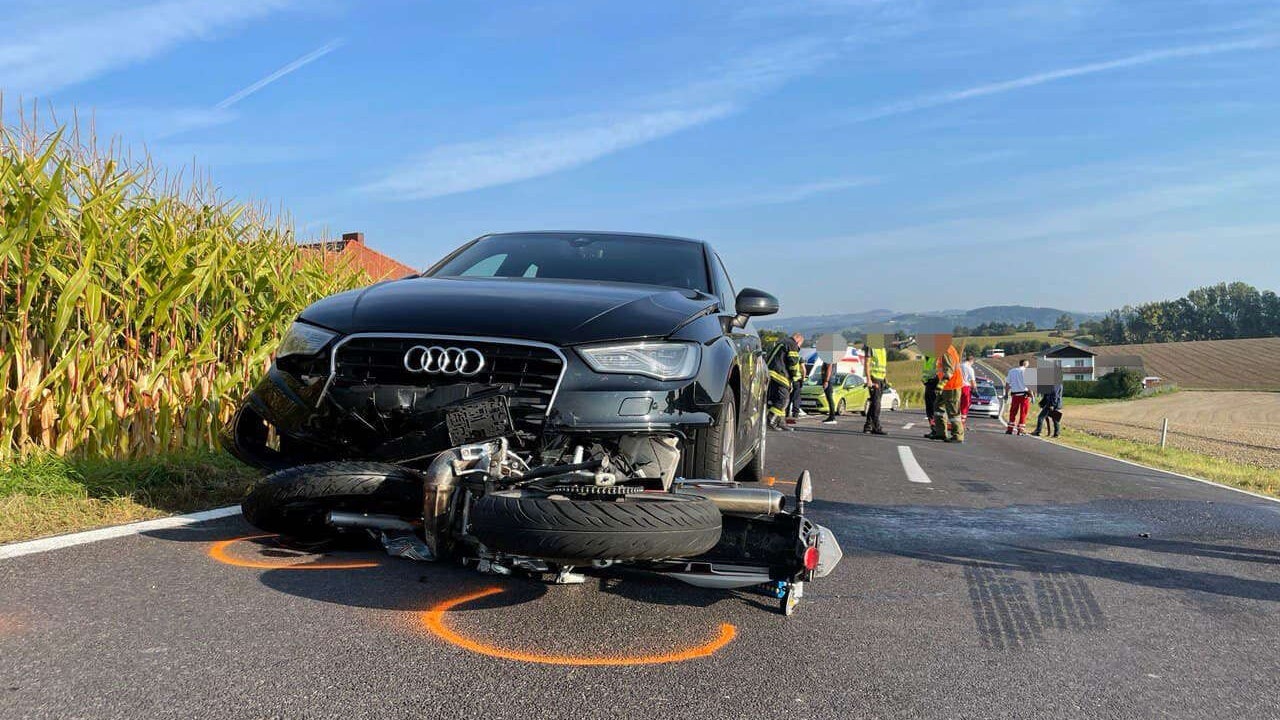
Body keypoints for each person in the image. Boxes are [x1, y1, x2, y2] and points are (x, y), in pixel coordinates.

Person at [928, 341, 965, 442]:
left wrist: (941, 385)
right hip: (946, 386)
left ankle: (957, 436)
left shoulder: (946, 350)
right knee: (938, 408)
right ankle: (941, 433)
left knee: (953, 412)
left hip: (952, 386)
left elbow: (949, 370)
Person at [765, 333, 803, 431]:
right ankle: (770, 420)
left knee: (780, 400)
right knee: (782, 400)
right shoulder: (792, 344)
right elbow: (793, 363)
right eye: (800, 346)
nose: (799, 348)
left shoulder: (783, 342)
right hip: (780, 376)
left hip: (772, 374)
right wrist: (796, 377)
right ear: (798, 341)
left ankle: (780, 422)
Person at [862, 342, 888, 435]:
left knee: (874, 403)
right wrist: (869, 379)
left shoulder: (883, 348)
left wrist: (885, 379)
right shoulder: (871, 347)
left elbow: (883, 365)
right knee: (877, 404)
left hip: (881, 379)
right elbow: (867, 363)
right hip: (874, 378)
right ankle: (876, 427)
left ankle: (868, 426)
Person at [1004, 358, 1032, 435]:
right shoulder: (1027, 371)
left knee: (1013, 412)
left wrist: (1006, 394)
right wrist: (1032, 395)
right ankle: (1020, 430)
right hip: (1024, 395)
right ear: (1025, 364)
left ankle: (1010, 429)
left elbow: (1007, 384)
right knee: (1023, 412)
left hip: (1014, 395)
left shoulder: (1012, 371)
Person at [786, 333, 806, 423]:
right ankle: (795, 413)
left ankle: (786, 413)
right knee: (796, 397)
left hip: (789, 379)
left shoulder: (788, 353)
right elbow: (803, 369)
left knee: (788, 397)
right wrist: (803, 378)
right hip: (797, 380)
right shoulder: (798, 356)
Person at [920, 352, 939, 436]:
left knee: (935, 409)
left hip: (935, 384)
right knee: (929, 409)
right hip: (928, 384)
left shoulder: (936, 356)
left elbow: (940, 370)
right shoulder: (927, 357)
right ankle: (933, 429)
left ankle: (937, 429)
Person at [820, 360, 838, 425]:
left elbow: (829, 368)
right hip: (830, 379)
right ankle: (831, 417)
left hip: (828, 380)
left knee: (829, 398)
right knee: (829, 398)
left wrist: (826, 381)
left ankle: (832, 417)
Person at [960, 353, 976, 421]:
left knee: (957, 404)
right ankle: (962, 421)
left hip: (957, 386)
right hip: (965, 387)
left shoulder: (959, 366)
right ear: (971, 361)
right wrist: (975, 389)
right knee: (965, 405)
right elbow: (972, 381)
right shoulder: (970, 368)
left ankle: (955, 421)